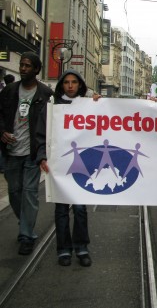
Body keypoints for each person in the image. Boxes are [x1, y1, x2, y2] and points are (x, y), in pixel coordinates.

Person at [35, 70, 99, 267]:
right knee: (61, 209)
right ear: (62, 85)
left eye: (74, 82)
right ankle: (63, 250)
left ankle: (81, 247)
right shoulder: (52, 107)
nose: (70, 86)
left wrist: (101, 104)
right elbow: (41, 133)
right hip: (59, 165)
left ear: (80, 85)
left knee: (80, 208)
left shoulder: (88, 105)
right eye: (66, 82)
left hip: (82, 164)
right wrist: (41, 156)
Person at [0, 52, 53, 255]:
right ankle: (25, 221)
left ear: (36, 69)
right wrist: (2, 131)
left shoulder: (45, 94)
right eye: (21, 65)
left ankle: (26, 235)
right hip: (12, 151)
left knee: (30, 193)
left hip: (32, 152)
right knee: (14, 191)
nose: (23, 68)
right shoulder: (10, 91)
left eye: (27, 66)